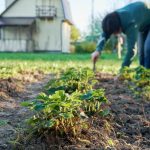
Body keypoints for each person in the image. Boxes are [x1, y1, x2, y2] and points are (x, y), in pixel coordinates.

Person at [91, 1, 150, 69]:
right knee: (141, 53)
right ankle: (144, 74)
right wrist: (98, 50)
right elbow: (106, 33)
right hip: (143, 24)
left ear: (118, 28)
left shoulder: (130, 24)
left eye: (114, 33)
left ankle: (148, 75)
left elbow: (131, 51)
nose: (114, 34)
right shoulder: (113, 19)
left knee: (148, 49)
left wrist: (122, 71)